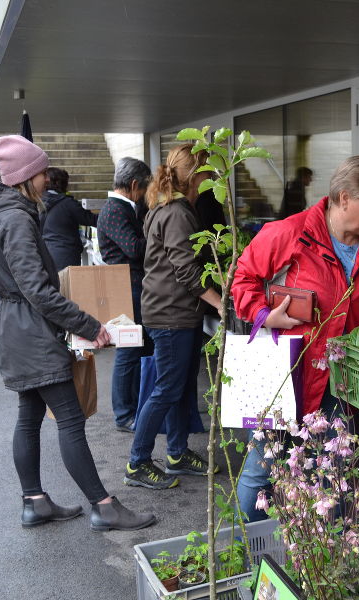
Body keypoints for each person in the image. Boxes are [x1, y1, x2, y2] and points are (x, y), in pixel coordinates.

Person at [0, 135, 155, 531]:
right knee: (70, 419)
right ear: (26, 176)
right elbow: (37, 290)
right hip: (30, 331)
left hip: (14, 329)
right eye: (42, 172)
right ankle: (103, 506)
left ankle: (34, 501)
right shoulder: (15, 218)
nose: (48, 178)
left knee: (29, 415)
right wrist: (90, 326)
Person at [231, 155, 359, 521]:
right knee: (261, 467)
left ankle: (318, 555)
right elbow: (242, 281)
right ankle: (249, 548)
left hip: (339, 378)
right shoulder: (289, 233)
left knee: (334, 469)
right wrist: (265, 314)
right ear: (345, 198)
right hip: (283, 368)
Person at [124, 143, 223, 490]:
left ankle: (178, 454)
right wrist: (220, 303)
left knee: (178, 387)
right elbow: (186, 271)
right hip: (171, 316)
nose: (212, 177)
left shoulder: (164, 206)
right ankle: (138, 463)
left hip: (173, 312)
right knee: (167, 388)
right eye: (208, 171)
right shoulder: (178, 212)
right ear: (197, 175)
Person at [97, 157, 152, 432]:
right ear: (133, 185)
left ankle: (133, 408)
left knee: (135, 349)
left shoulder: (121, 208)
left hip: (131, 286)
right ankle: (123, 414)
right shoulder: (116, 209)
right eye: (144, 189)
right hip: (127, 287)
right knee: (128, 351)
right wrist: (156, 235)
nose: (146, 195)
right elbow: (133, 247)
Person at [40, 167, 98, 271]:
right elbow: (91, 219)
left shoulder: (38, 202)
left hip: (44, 255)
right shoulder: (67, 204)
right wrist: (111, 215)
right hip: (66, 256)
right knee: (67, 286)